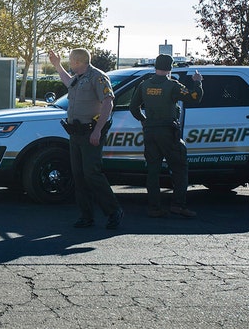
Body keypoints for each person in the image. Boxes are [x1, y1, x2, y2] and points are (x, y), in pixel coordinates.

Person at [49, 48, 123, 230]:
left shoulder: (97, 76)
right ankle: (86, 216)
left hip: (90, 133)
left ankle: (114, 211)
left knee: (92, 173)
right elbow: (68, 82)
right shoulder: (79, 77)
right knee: (79, 176)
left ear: (77, 61)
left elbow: (108, 102)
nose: (68, 62)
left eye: (69, 60)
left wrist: (98, 131)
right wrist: (57, 66)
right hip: (75, 133)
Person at [129, 54, 204, 218]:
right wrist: (198, 81)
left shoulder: (144, 85)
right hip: (168, 133)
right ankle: (178, 205)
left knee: (153, 171)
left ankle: (154, 208)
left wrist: (144, 121)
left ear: (155, 66)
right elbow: (194, 97)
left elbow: (133, 107)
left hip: (150, 133)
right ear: (170, 68)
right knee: (179, 168)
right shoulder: (172, 86)